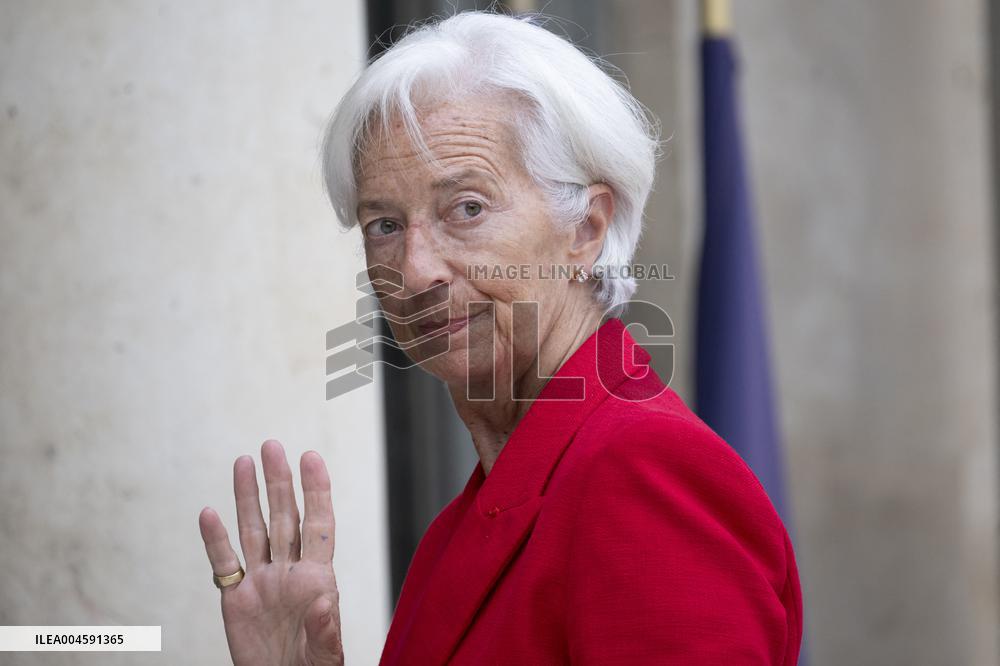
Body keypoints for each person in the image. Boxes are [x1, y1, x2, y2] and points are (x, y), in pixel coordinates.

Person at [198, 10, 802, 665]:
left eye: (468, 208)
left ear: (586, 229)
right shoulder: (464, 522)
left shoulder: (642, 471)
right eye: (384, 226)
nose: (416, 270)